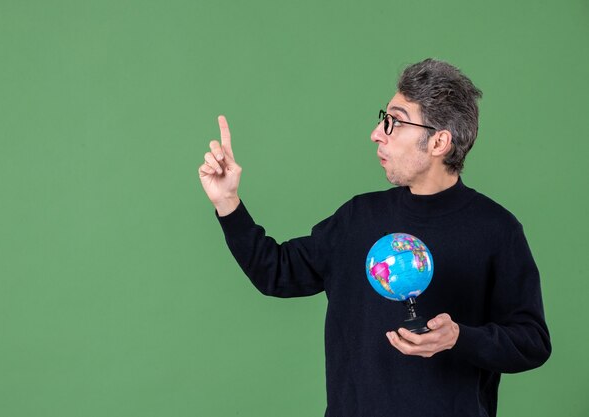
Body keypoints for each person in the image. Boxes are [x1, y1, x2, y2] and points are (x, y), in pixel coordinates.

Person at [198, 58, 551, 417]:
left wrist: (460, 337)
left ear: (439, 142)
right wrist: (227, 201)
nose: (377, 133)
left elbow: (532, 342)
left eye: (394, 122)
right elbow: (276, 272)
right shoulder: (358, 218)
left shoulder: (496, 229)